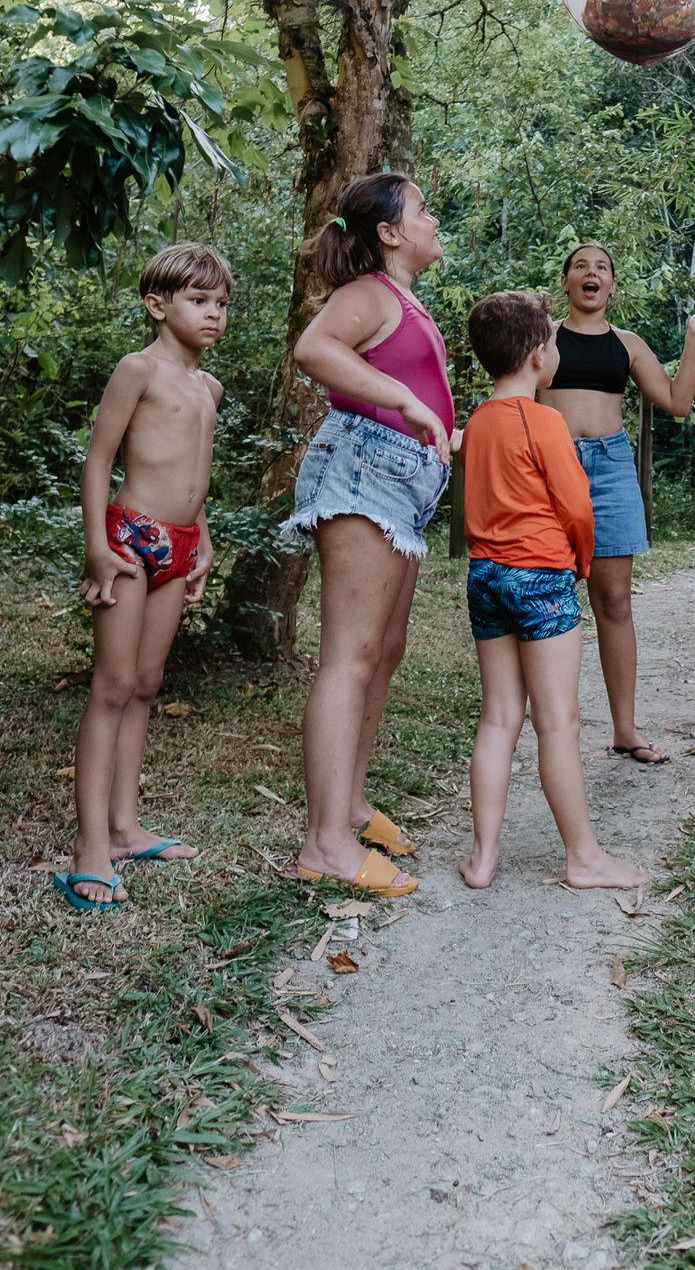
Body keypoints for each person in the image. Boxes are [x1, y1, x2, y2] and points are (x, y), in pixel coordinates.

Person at [285, 174, 452, 894]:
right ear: (387, 232)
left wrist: (443, 428)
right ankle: (323, 843)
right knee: (349, 657)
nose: (433, 217)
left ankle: (350, 805)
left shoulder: (402, 299)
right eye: (422, 210)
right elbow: (314, 351)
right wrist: (406, 400)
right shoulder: (367, 294)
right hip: (361, 474)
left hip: (400, 479)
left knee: (383, 651)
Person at [58, 243, 229, 913]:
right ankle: (89, 845)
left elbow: (196, 479)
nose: (213, 314)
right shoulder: (140, 369)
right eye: (198, 301)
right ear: (158, 306)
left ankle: (126, 828)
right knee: (112, 686)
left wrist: (204, 543)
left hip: (180, 545)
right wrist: (97, 546)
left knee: (147, 685)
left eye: (220, 304)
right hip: (131, 538)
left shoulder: (208, 386)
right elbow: (98, 460)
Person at [457, 291, 648, 891]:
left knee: (498, 717)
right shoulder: (546, 421)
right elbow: (577, 508)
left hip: (485, 576)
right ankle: (584, 857)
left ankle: (483, 857)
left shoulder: (477, 424)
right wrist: (581, 562)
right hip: (541, 576)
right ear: (541, 355)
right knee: (558, 721)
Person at [540, 242, 695, 765]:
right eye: (580, 265)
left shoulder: (626, 345)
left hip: (610, 471)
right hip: (550, 470)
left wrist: (693, 337)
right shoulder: (543, 338)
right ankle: (550, 726)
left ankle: (625, 729)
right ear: (565, 282)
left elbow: (676, 402)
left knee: (614, 603)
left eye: (601, 267)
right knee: (548, 599)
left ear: (612, 286)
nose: (591, 272)